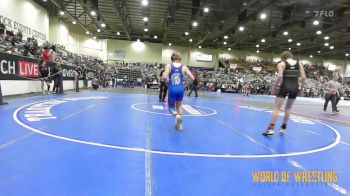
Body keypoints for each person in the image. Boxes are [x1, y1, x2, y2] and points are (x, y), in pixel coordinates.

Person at [263, 51, 306, 136]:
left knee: (276, 108)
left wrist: (274, 87)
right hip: (294, 88)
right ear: (291, 56)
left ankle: (271, 129)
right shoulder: (299, 64)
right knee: (288, 108)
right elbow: (304, 77)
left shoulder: (281, 64)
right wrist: (301, 89)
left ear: (283, 57)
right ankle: (283, 128)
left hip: (284, 86)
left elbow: (280, 76)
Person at [162, 52, 194, 131]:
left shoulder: (169, 66)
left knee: (171, 108)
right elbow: (192, 78)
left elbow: (164, 77)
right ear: (180, 58)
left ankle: (176, 116)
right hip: (180, 89)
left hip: (172, 88)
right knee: (179, 106)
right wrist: (186, 86)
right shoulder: (184, 67)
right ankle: (180, 126)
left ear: (172, 58)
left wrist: (167, 84)